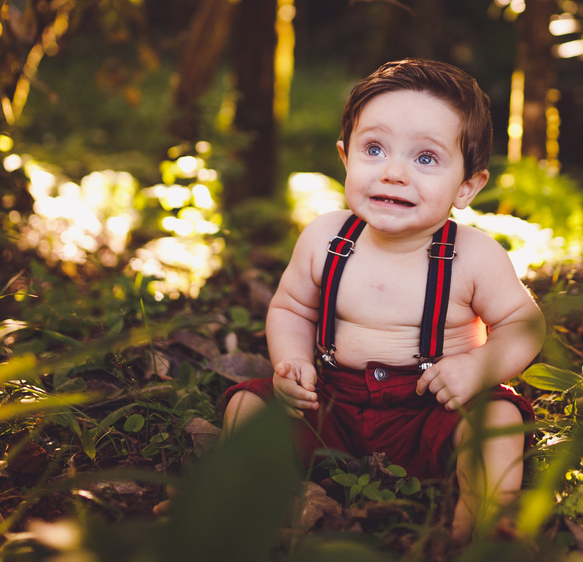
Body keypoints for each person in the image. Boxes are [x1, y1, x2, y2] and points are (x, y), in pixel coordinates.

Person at [221, 58, 545, 542]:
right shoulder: (326, 238)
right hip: (331, 405)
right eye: (374, 149)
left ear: (467, 186)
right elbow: (292, 308)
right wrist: (290, 363)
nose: (393, 173)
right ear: (345, 157)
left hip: (433, 412)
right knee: (248, 405)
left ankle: (485, 516)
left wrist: (477, 369)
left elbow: (524, 325)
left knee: (496, 419)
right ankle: (244, 500)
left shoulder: (473, 256)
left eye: (426, 158)